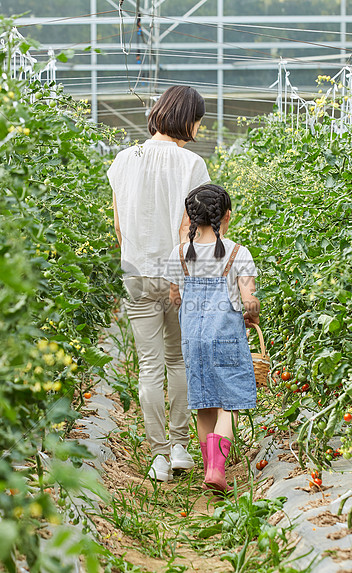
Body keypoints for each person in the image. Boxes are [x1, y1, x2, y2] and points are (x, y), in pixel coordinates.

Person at [107, 85, 211, 482]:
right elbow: (191, 227)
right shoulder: (191, 165)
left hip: (136, 272)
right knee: (178, 361)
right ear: (187, 118)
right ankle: (182, 446)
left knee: (148, 367)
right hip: (177, 275)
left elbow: (118, 225)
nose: (200, 127)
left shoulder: (122, 160)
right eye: (199, 119)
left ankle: (159, 458)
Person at [165, 184, 260, 492]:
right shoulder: (238, 253)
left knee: (204, 403)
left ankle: (210, 468)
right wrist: (252, 314)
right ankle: (217, 469)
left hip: (193, 339)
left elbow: (174, 297)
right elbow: (249, 299)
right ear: (226, 217)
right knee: (229, 403)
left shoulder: (179, 253)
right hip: (227, 337)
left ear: (190, 219)